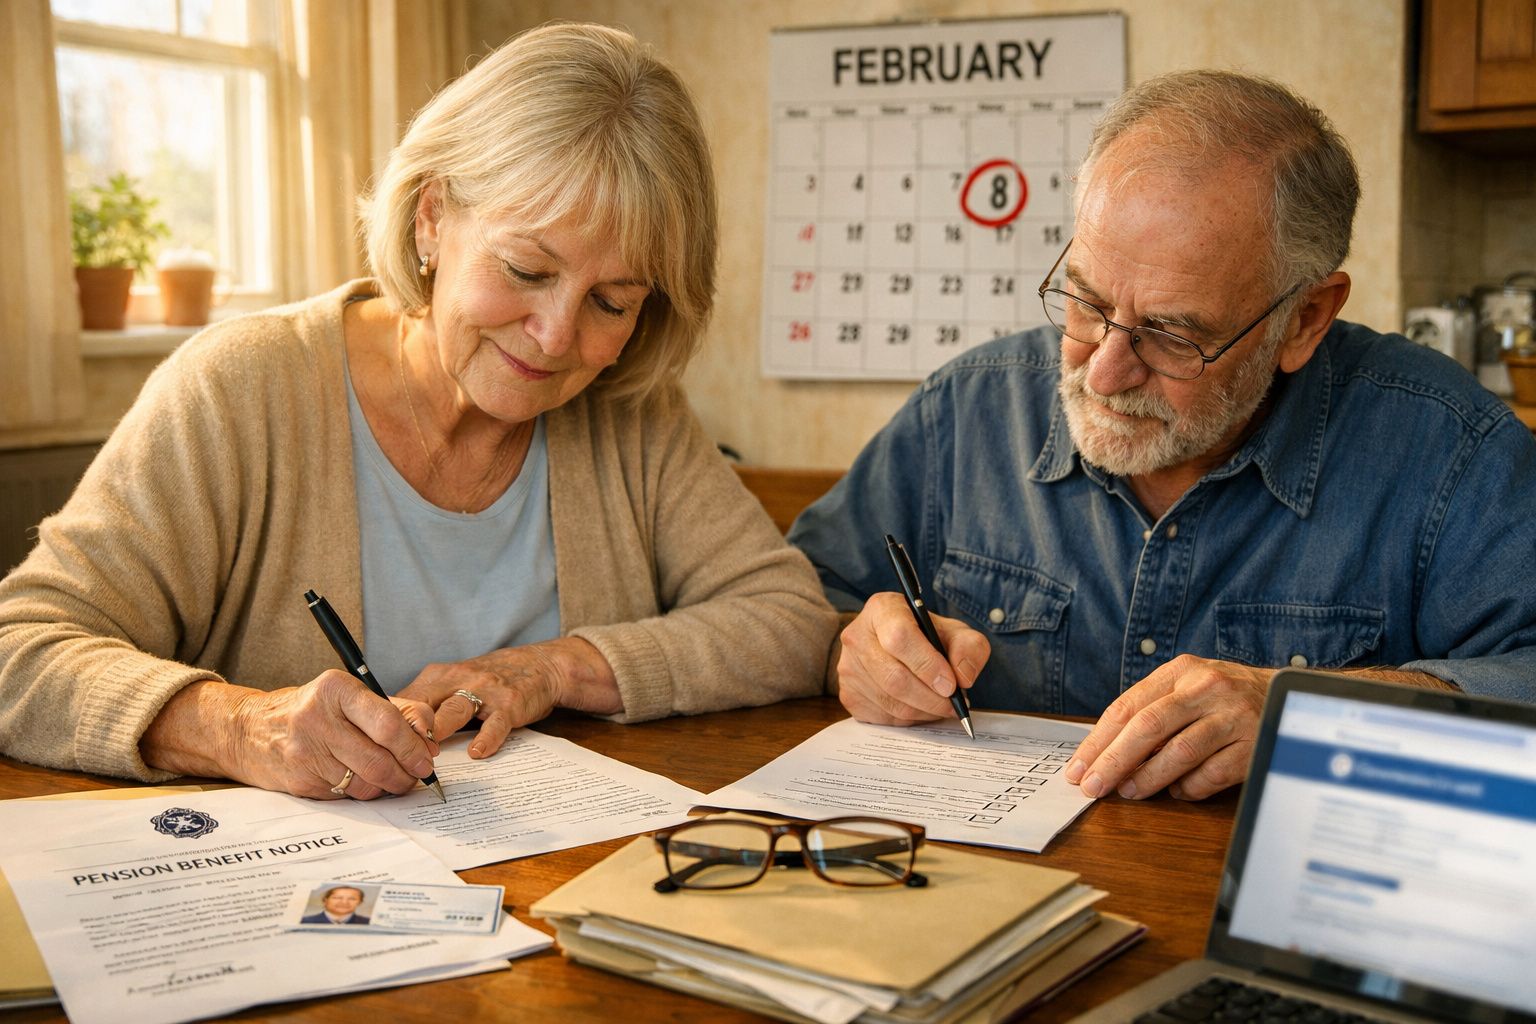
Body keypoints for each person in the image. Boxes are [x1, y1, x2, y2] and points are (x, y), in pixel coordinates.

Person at [0, 23, 836, 801]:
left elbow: (790, 624)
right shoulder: (242, 388)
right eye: (525, 270)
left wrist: (553, 669)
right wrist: (237, 727)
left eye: (611, 303)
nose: (554, 337)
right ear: (433, 218)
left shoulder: (633, 415)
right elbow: (21, 650)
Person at [789, 69, 1536, 803]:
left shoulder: (1449, 449)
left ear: (1304, 318)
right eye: (1085, 302)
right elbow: (804, 603)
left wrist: (1316, 712)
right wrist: (846, 648)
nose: (1106, 373)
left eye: (1172, 334)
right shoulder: (970, 409)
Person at [301, 886, 371, 926]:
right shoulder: (304, 921)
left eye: (352, 899)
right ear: (325, 900)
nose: (344, 902)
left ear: (360, 902)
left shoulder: (368, 922)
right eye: (337, 898)